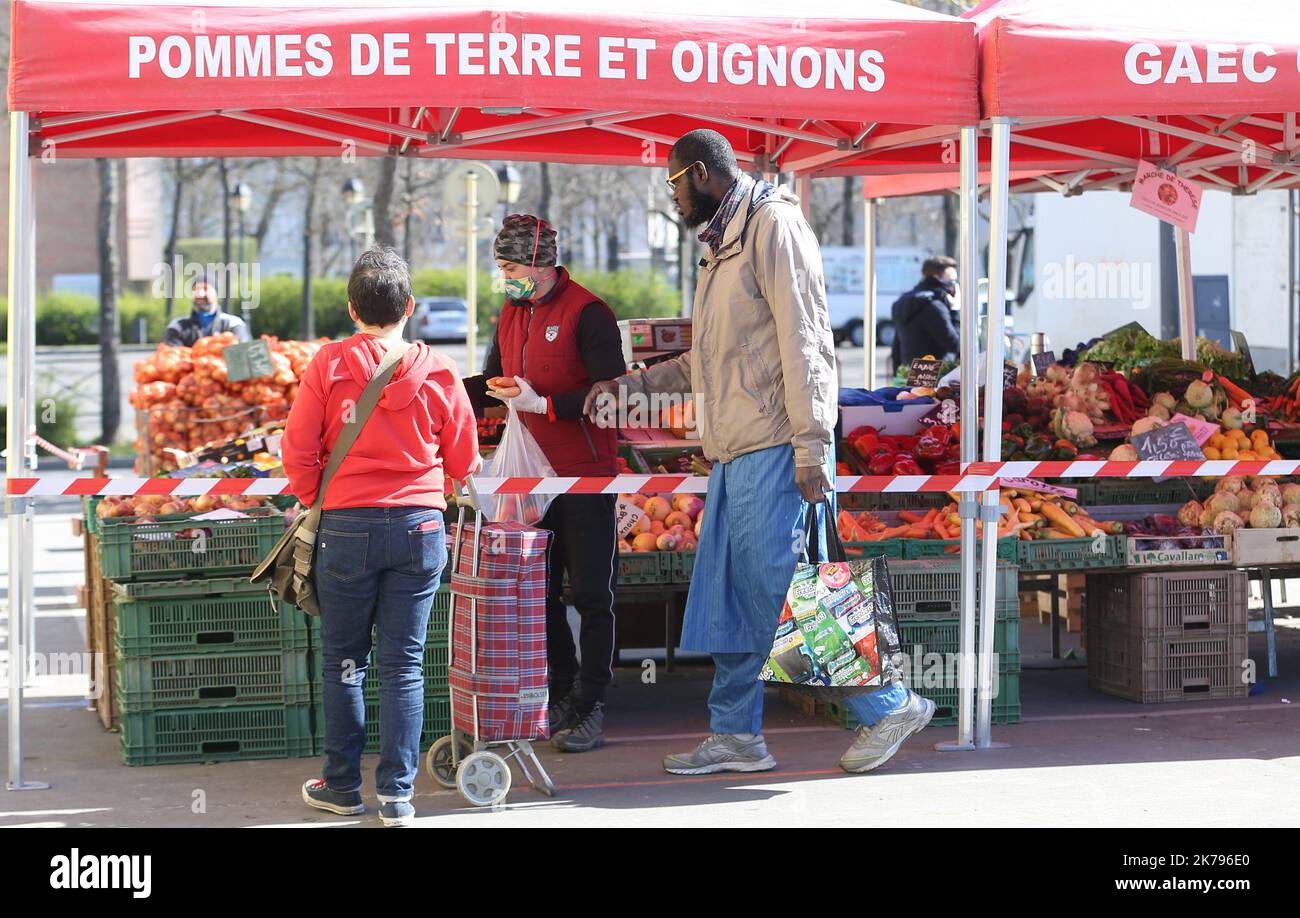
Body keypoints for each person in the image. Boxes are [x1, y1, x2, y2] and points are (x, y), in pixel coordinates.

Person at [585, 129, 934, 776]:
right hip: (736, 454)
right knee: (734, 598)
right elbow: (708, 357)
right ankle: (736, 735)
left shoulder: (774, 226)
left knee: (786, 591)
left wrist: (811, 446)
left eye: (672, 182)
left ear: (700, 174)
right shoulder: (724, 246)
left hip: (776, 447)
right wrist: (632, 386)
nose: (672, 196)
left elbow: (807, 341)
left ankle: (889, 703)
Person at [282, 247, 480, 827]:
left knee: (345, 661)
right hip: (420, 529)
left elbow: (298, 451)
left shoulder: (328, 365)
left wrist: (319, 494)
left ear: (350, 309)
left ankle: (341, 785)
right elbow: (463, 457)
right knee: (405, 665)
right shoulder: (439, 371)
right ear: (410, 307)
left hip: (345, 528)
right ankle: (398, 795)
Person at [463, 214, 626, 754]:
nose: (505, 277)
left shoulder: (589, 312)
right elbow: (490, 380)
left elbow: (614, 395)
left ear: (539, 263)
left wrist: (547, 404)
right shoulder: (512, 311)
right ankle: (561, 687)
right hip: (529, 476)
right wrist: (434, 386)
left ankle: (593, 701)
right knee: (539, 589)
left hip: (584, 473)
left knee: (590, 592)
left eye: (509, 266)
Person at [890, 255, 961, 369]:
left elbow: (896, 345)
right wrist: (955, 309)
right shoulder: (934, 306)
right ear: (937, 277)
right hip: (935, 376)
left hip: (910, 374)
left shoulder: (903, 301)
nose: (954, 287)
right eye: (952, 282)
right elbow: (955, 345)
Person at [163, 280, 251, 346]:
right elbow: (173, 361)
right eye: (195, 289)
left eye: (205, 288)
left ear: (217, 293)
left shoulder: (233, 324)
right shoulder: (177, 326)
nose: (200, 294)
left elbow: (243, 355)